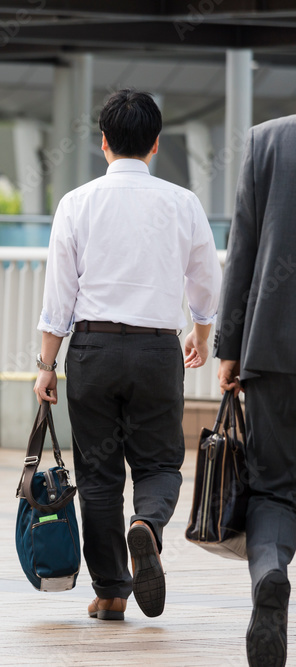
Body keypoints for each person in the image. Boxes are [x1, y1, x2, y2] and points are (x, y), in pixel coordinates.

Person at [33, 89, 221, 622]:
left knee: (97, 475)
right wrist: (201, 334)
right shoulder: (182, 202)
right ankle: (148, 525)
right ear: (156, 144)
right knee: (160, 462)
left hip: (92, 349)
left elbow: (59, 295)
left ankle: (112, 591)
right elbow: (207, 280)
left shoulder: (77, 202)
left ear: (103, 142)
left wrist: (47, 365)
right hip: (157, 349)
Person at [216, 114, 296, 666]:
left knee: (272, 488)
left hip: (272, 347)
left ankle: (270, 569)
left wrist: (229, 346)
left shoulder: (268, 139)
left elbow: (241, 244)